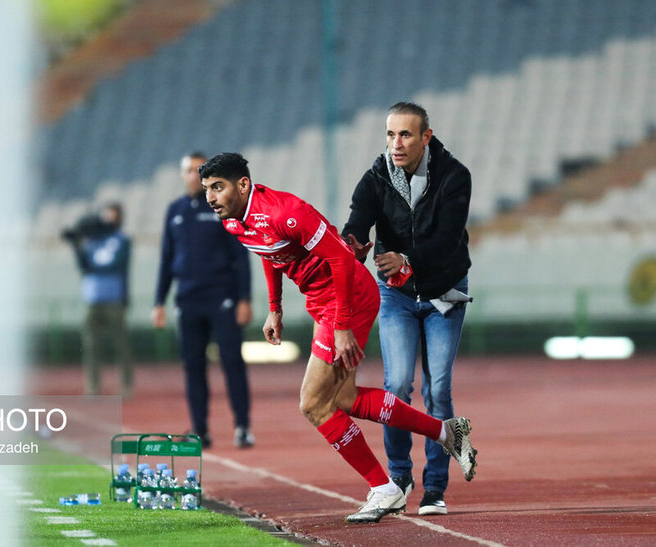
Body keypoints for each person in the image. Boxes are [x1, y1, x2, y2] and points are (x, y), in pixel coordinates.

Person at [199, 152, 476, 523]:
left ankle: (385, 489)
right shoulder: (235, 221)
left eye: (218, 187)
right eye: (206, 190)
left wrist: (343, 325)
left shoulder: (286, 211)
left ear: (243, 184)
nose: (211, 197)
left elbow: (343, 262)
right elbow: (266, 249)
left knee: (313, 403)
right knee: (343, 398)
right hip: (324, 303)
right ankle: (446, 432)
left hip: (348, 297)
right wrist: (275, 307)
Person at [342, 102, 474, 516]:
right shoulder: (376, 177)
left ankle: (435, 486)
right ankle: (399, 476)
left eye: (404, 135)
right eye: (389, 134)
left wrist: (406, 258)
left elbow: (449, 237)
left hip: (444, 293)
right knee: (397, 384)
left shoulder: (455, 176)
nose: (395, 144)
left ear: (425, 138)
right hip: (395, 296)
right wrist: (353, 244)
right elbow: (357, 220)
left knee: (438, 390)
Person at [152, 151, 254, 449]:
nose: (193, 176)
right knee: (193, 366)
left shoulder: (222, 208)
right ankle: (200, 429)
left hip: (221, 298)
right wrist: (159, 301)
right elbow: (166, 258)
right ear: (182, 174)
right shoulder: (175, 211)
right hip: (187, 299)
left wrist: (244, 299)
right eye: (188, 170)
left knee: (232, 362)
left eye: (199, 171)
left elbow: (240, 255)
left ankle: (243, 427)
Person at [62, 202, 133, 397]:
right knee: (91, 346)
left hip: (113, 299)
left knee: (121, 345)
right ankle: (93, 385)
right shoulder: (91, 241)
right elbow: (83, 266)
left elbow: (116, 265)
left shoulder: (122, 239)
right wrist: (75, 246)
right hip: (92, 299)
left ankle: (126, 385)